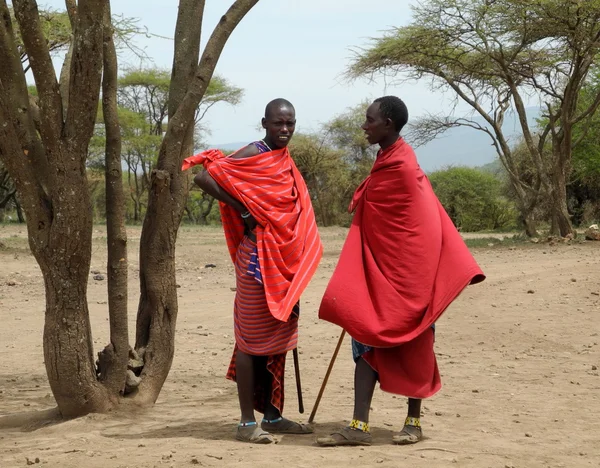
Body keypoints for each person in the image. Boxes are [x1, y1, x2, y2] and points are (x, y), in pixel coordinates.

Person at [316, 96, 485, 447]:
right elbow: (381, 220)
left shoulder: (404, 166)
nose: (365, 126)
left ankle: (413, 423)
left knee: (416, 343)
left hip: (409, 276)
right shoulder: (386, 160)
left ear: (388, 124)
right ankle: (358, 427)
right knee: (364, 337)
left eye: (370, 120)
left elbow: (421, 225)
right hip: (381, 271)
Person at [182, 99, 323, 444]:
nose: (285, 130)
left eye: (290, 123)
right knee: (251, 340)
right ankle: (247, 423)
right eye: (278, 123)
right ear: (265, 123)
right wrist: (244, 211)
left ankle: (272, 416)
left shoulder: (285, 162)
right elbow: (204, 176)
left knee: (277, 339)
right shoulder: (253, 152)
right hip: (256, 260)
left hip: (283, 261)